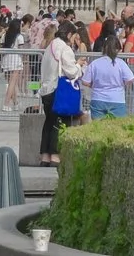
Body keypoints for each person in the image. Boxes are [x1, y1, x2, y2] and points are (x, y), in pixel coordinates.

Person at [38, 15, 83, 165]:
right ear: (69, 34)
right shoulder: (65, 48)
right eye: (74, 36)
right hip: (58, 91)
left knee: (49, 123)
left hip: (46, 89)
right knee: (60, 123)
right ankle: (55, 156)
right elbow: (71, 72)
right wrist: (79, 65)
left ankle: (44, 156)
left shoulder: (50, 46)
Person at [80, 36, 134, 119]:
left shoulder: (95, 63)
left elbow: (85, 81)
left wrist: (94, 85)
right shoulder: (120, 63)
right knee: (117, 127)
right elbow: (130, 79)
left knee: (97, 127)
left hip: (98, 98)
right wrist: (122, 84)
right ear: (117, 49)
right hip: (117, 99)